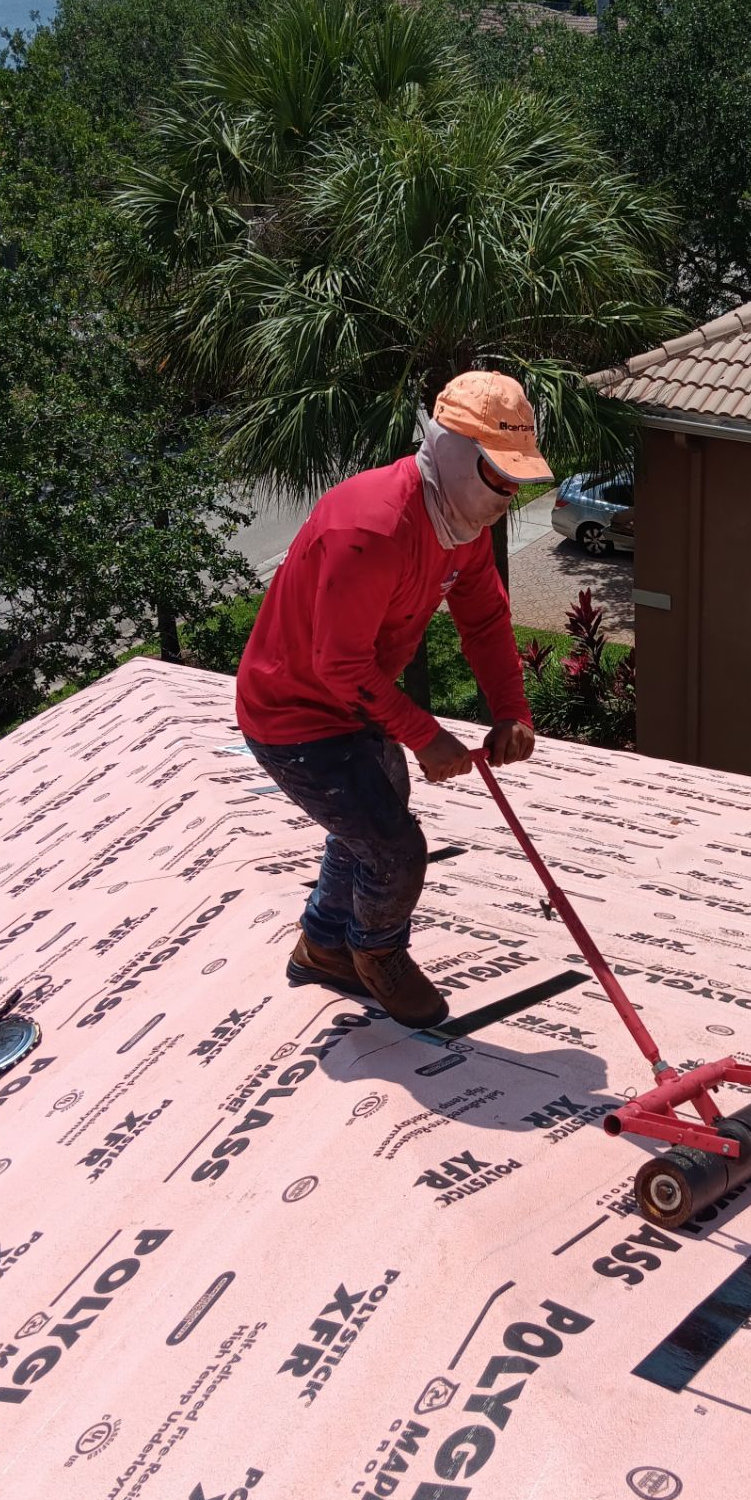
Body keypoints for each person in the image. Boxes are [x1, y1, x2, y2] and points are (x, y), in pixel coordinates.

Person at [235, 371, 552, 1030]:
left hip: (354, 700)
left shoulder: (459, 521)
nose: (507, 498)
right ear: (455, 454)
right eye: (499, 478)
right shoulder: (375, 526)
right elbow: (336, 660)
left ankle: (323, 942)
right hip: (293, 713)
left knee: (369, 823)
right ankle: (376, 953)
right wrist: (424, 734)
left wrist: (510, 709)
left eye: (518, 482)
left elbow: (486, 619)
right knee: (394, 848)